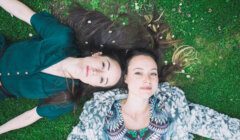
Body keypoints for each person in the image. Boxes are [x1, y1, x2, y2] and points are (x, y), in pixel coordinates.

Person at [0, 0, 123, 135]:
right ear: (97, 54)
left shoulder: (67, 99)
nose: (96, 72)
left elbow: (31, 115)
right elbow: (26, 15)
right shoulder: (61, 37)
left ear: (94, 85)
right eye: (103, 65)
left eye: (101, 80)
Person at [68, 48, 240, 140]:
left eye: (153, 73)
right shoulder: (98, 115)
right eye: (138, 73)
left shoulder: (174, 108)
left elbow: (220, 126)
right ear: (126, 77)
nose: (147, 79)